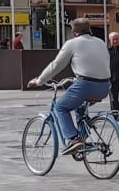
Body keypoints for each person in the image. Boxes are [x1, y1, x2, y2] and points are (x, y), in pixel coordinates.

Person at [30, 18, 114, 156]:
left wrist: (39, 81)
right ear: (90, 30)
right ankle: (84, 136)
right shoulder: (100, 42)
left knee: (60, 107)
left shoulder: (72, 43)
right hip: (105, 87)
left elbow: (55, 66)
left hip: (85, 85)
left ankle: (74, 140)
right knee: (79, 107)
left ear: (74, 32)